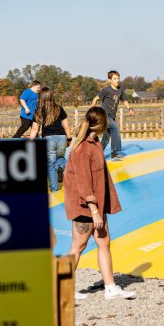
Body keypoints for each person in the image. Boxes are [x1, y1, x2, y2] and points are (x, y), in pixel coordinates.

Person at [64, 106, 136, 300]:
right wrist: (94, 210)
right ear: (103, 123)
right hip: (85, 206)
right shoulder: (82, 148)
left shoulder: (95, 142)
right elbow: (83, 182)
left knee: (104, 242)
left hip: (97, 204)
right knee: (78, 246)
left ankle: (110, 287)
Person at [28, 87, 71, 192]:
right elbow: (66, 125)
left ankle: (54, 188)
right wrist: (69, 138)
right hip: (62, 137)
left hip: (48, 139)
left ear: (41, 97)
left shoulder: (38, 111)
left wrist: (29, 142)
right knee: (60, 157)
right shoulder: (59, 108)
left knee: (50, 164)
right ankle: (60, 166)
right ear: (52, 96)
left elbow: (34, 129)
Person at [91, 70, 134, 160]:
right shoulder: (106, 90)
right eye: (115, 79)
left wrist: (129, 109)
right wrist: (92, 112)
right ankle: (114, 153)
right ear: (110, 80)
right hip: (104, 115)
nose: (117, 80)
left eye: (118, 78)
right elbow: (95, 99)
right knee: (115, 128)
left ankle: (97, 155)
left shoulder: (121, 90)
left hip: (112, 116)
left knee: (106, 137)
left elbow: (125, 101)